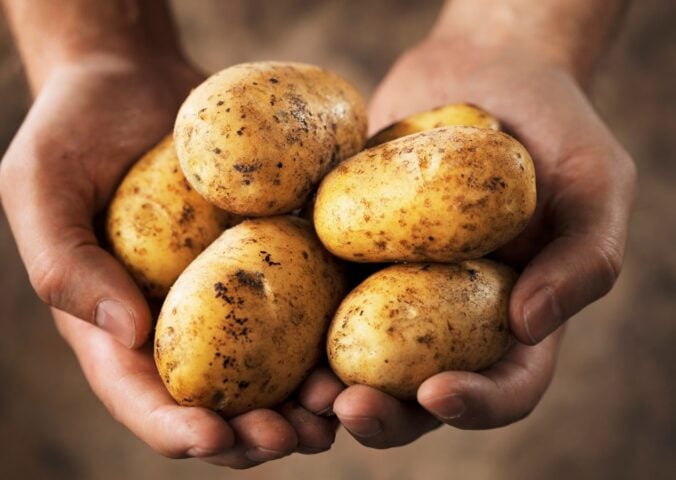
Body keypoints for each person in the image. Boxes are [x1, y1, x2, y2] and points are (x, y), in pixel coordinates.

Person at [0, 0, 636, 470]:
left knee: (366, 336)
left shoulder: (341, 204)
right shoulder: (297, 199)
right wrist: (94, 46)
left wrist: (517, 38)